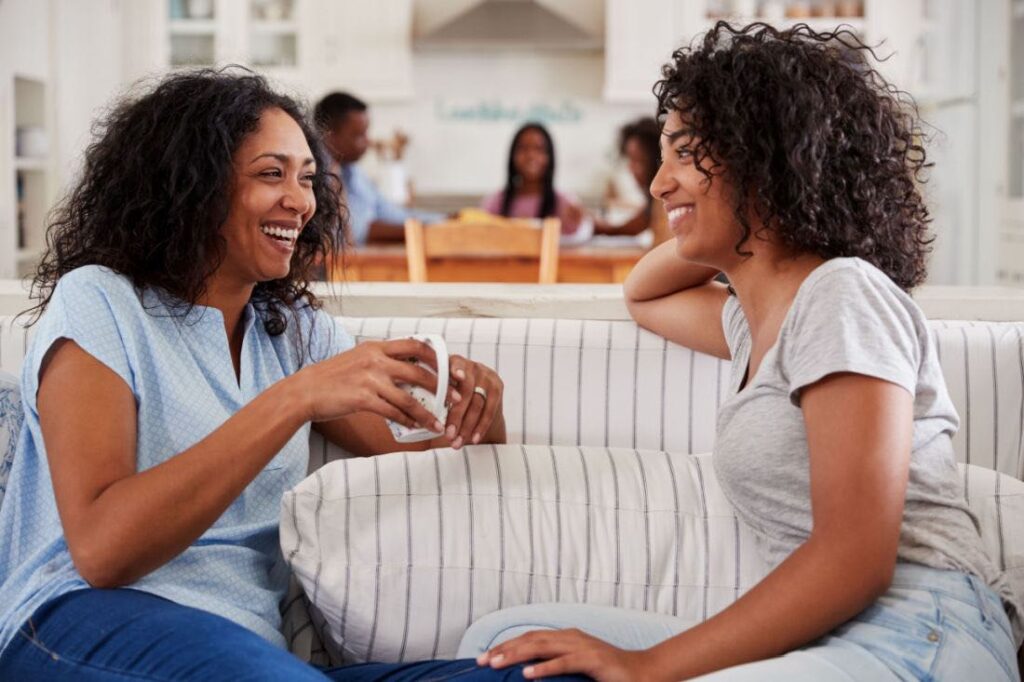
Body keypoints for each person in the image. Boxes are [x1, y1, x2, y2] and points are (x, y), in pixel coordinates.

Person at [464, 23, 1022, 681]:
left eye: (685, 152)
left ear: (761, 157)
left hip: (919, 631)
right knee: (504, 641)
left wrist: (647, 666)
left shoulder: (844, 296)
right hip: (826, 641)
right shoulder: (754, 325)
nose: (657, 184)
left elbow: (856, 559)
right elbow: (642, 294)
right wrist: (711, 206)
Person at [0, 69, 517, 681]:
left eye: (306, 178)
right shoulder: (101, 302)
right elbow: (102, 550)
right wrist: (292, 399)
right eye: (271, 174)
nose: (300, 201)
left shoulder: (293, 331)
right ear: (189, 186)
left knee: (543, 675)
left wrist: (477, 404)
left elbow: (433, 445)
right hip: (79, 623)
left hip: (253, 654)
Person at [314, 91, 442, 245]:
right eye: (359, 135)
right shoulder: (315, 174)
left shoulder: (353, 171)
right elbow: (357, 232)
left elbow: (389, 212)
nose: (368, 141)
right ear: (329, 133)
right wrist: (424, 230)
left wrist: (441, 221)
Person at [481, 122, 588, 239]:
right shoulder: (495, 202)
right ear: (513, 156)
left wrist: (578, 224)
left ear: (550, 157)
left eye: (539, 149)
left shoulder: (564, 203)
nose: (531, 155)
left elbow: (578, 237)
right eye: (523, 148)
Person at [593, 117, 671, 246]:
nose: (631, 168)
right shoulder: (654, 203)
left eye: (638, 161)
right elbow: (629, 227)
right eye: (630, 160)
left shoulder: (665, 201)